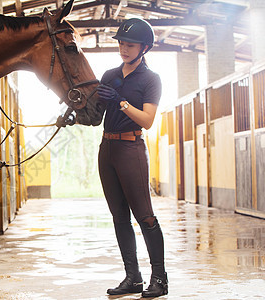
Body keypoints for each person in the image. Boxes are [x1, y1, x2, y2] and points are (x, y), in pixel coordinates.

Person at [96, 18, 167, 298]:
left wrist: (122, 103)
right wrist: (76, 109)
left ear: (144, 47)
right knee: (119, 217)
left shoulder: (150, 79)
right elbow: (96, 117)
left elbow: (148, 120)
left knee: (145, 215)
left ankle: (159, 279)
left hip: (131, 149)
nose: (123, 48)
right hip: (107, 150)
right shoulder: (109, 74)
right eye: (121, 43)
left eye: (130, 44)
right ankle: (132, 278)